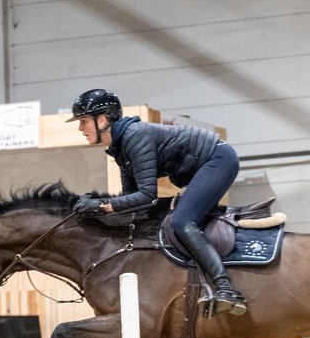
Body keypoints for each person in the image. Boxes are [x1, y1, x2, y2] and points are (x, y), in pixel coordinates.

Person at [67, 88, 246, 315]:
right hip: (203, 165)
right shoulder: (118, 147)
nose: (80, 128)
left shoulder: (134, 136)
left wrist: (102, 205)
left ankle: (226, 288)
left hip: (218, 159)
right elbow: (131, 201)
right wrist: (97, 206)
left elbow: (147, 195)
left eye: (83, 121)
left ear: (102, 119)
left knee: (182, 221)